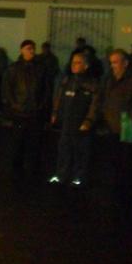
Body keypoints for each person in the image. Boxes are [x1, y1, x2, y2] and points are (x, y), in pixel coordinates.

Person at [85, 49, 132, 220]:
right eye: (111, 62)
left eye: (116, 62)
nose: (113, 66)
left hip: (128, 127)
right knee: (114, 162)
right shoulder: (108, 79)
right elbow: (100, 99)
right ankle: (117, 193)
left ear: (125, 63)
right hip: (111, 127)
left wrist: (131, 115)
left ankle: (128, 197)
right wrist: (94, 118)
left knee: (128, 163)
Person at [2, 39, 51, 180]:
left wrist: (41, 105)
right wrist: (14, 104)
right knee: (18, 141)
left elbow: (46, 89)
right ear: (22, 50)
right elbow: (7, 89)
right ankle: (17, 168)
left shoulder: (41, 68)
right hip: (20, 111)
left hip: (34, 111)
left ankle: (33, 168)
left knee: (34, 142)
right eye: (28, 48)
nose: (31, 51)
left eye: (33, 49)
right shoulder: (14, 69)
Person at [49, 52, 98, 187]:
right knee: (64, 148)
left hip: (81, 123)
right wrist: (55, 113)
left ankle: (78, 177)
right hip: (67, 121)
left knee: (80, 151)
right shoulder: (67, 81)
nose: (74, 65)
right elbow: (59, 98)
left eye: (78, 63)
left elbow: (95, 104)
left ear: (86, 65)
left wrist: (88, 120)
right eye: (73, 62)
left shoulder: (92, 84)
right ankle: (61, 175)